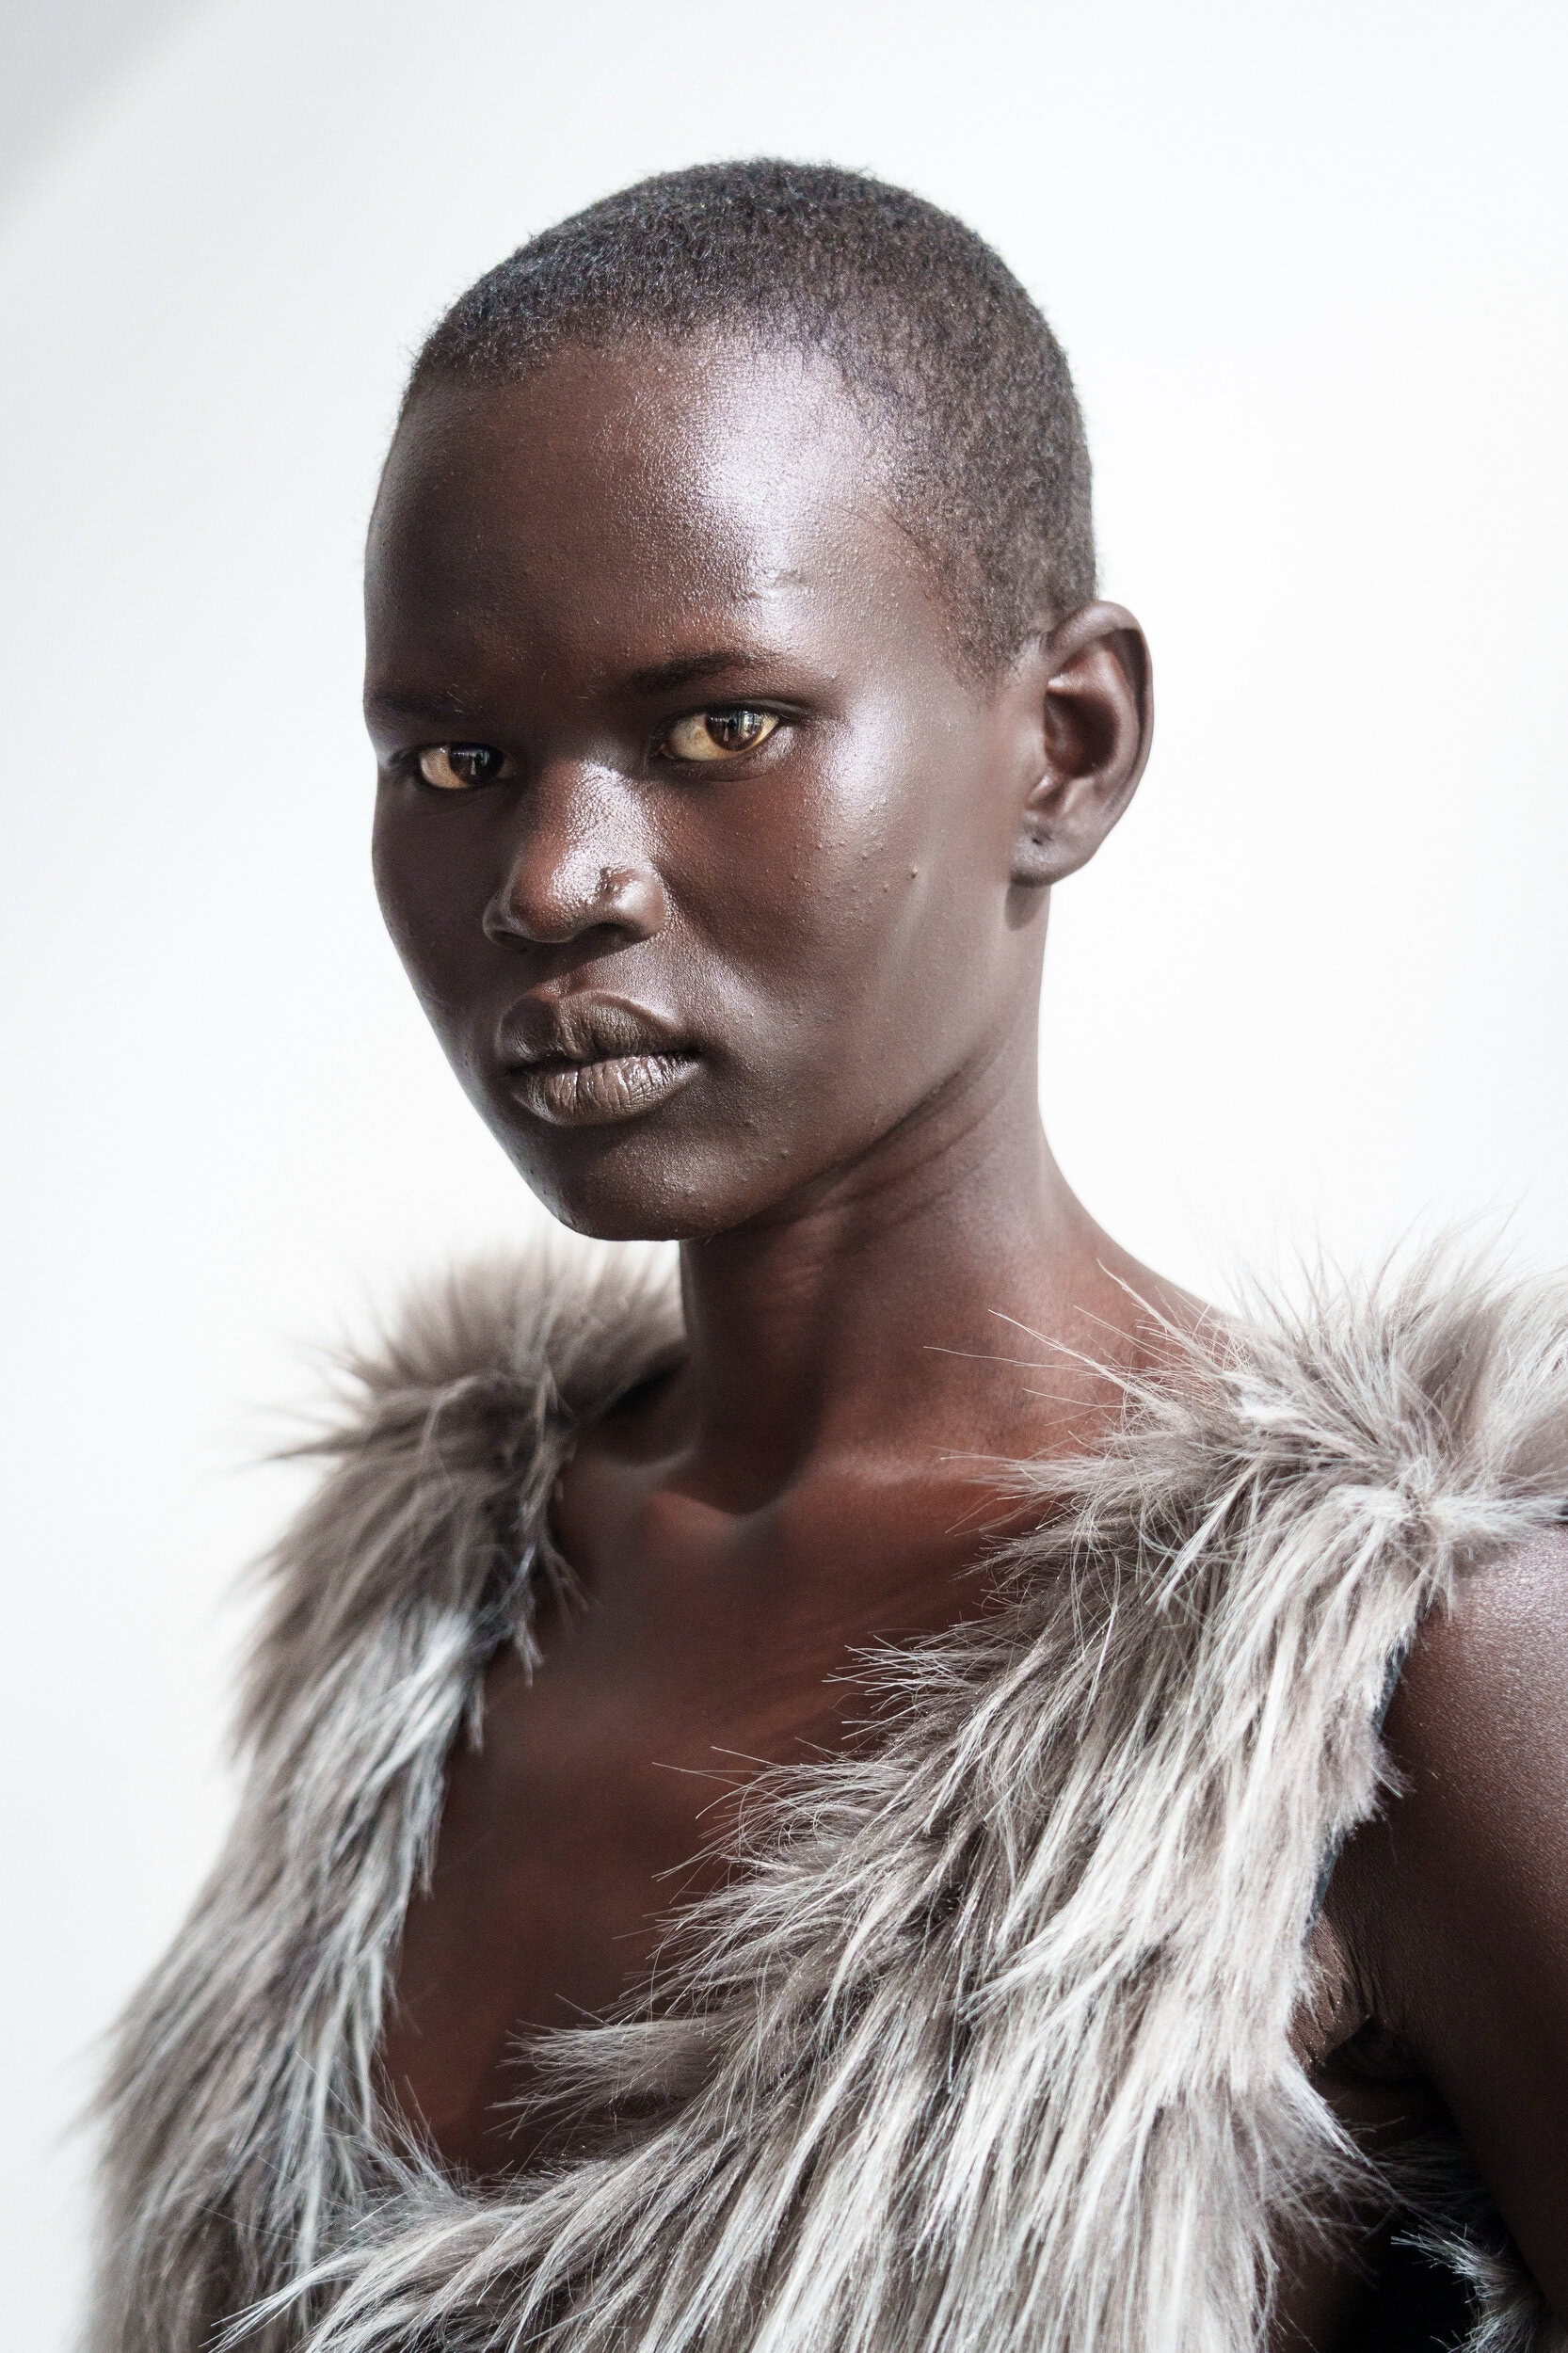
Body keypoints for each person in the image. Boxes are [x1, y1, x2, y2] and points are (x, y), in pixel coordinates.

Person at [88, 161, 1568, 2353]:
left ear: (1063, 745)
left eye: (718, 725)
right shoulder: (417, 1603)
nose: (551, 878)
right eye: (455, 757)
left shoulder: (1403, 1665)